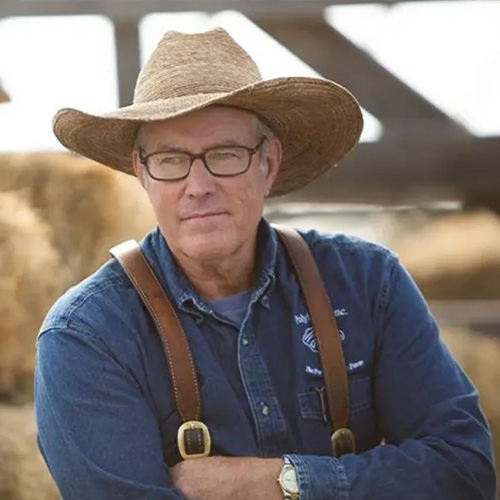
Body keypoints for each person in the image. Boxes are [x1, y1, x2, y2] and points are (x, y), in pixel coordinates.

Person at [35, 28, 496, 500]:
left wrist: (279, 479)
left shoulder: (368, 282)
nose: (198, 185)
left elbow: (465, 470)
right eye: (171, 160)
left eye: (224, 155)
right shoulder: (87, 335)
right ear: (142, 172)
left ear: (269, 163)